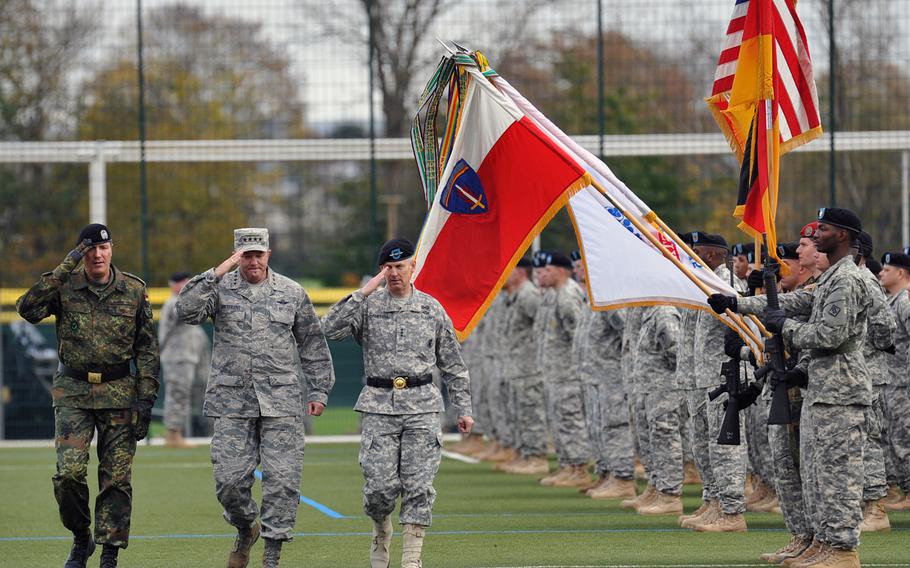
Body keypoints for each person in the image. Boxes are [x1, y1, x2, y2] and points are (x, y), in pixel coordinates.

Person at [709, 207, 872, 568]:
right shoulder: (832, 278)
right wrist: (738, 303)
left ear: (843, 235)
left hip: (841, 391)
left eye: (823, 231)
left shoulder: (847, 280)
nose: (815, 238)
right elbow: (790, 302)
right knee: (815, 473)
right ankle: (822, 543)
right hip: (823, 389)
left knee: (836, 473)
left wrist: (788, 329)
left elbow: (829, 335)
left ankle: (842, 550)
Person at [176, 228, 335, 568]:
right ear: (236, 256)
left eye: (258, 254)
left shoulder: (291, 293)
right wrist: (216, 272)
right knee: (229, 483)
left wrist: (319, 389)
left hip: (282, 404)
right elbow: (186, 311)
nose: (253, 261)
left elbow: (312, 344)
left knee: (282, 482)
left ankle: (272, 557)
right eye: (246, 255)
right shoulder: (218, 290)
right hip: (232, 404)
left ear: (268, 254)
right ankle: (246, 527)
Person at [321, 238, 473, 568]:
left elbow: (452, 364)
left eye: (400, 266)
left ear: (412, 267)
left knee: (419, 486)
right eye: (387, 268)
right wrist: (363, 292)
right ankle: (380, 531)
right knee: (378, 489)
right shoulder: (368, 306)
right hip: (378, 406)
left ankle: (411, 558)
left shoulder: (431, 308)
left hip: (422, 407)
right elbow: (328, 328)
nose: (394, 273)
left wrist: (463, 408)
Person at [16, 223, 159, 568]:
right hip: (74, 393)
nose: (97, 255)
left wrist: (146, 399)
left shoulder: (133, 290)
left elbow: (147, 350)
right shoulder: (64, 286)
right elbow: (27, 309)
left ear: (112, 250)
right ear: (82, 254)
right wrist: (67, 264)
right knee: (69, 475)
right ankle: (82, 537)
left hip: (120, 394)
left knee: (117, 478)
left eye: (103, 248)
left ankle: (109, 553)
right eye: (89, 249)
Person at [534, 251, 591, 488]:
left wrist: (577, 369)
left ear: (560, 271)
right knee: (559, 420)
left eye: (546, 270)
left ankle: (579, 468)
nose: (540, 275)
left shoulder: (567, 296)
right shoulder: (555, 295)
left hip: (568, 373)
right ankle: (567, 465)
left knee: (570, 420)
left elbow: (578, 337)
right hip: (555, 372)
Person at [498, 258, 550, 476]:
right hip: (517, 367)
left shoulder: (529, 295)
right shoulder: (515, 296)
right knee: (520, 413)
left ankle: (536, 457)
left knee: (530, 413)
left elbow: (542, 327)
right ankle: (525, 453)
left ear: (520, 271)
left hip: (529, 367)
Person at [158, 271, 211, 448]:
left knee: (182, 396)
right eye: (183, 283)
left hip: (187, 358)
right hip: (177, 358)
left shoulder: (181, 302)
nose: (187, 287)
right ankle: (173, 434)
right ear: (173, 285)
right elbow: (185, 312)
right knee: (177, 395)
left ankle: (176, 433)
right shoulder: (174, 302)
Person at [879, 252, 910, 511]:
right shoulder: (894, 300)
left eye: (886, 269)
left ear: (900, 273)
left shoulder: (906, 301)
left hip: (904, 384)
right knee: (897, 440)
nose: (881, 273)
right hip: (894, 384)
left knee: (905, 439)